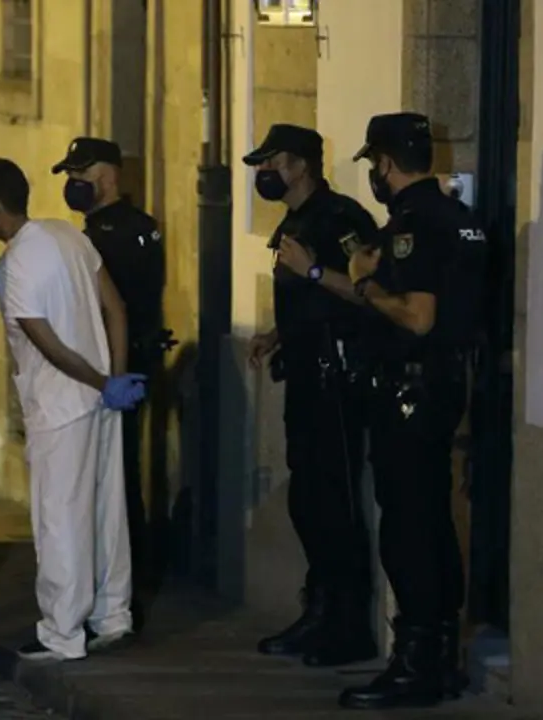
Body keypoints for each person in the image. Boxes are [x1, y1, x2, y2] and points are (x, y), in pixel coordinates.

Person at [0, 158, 145, 661]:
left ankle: (62, 634)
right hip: (101, 404)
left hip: (60, 405)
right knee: (107, 516)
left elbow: (42, 339)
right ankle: (113, 617)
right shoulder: (70, 236)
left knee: (60, 519)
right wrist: (115, 377)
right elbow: (117, 308)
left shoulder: (13, 265)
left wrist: (97, 379)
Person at [339, 112, 487, 710]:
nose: (375, 174)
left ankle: (416, 662)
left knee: (407, 528)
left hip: (410, 392)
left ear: (387, 163)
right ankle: (441, 654)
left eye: (375, 163)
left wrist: (366, 285)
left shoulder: (414, 224)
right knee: (434, 521)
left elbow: (419, 316)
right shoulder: (460, 219)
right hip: (447, 386)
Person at [241, 124, 380, 667]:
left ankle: (347, 624)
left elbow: (367, 292)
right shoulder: (295, 221)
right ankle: (319, 608)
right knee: (308, 501)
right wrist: (276, 334)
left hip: (336, 379)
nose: (263, 174)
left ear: (299, 165)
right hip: (304, 372)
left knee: (334, 502)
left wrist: (313, 269)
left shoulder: (340, 219)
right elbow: (310, 301)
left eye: (271, 163)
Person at [51, 137, 167, 613]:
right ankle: (119, 584)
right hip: (122, 366)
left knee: (108, 481)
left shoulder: (106, 234)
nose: (74, 184)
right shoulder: (136, 227)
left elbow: (109, 305)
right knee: (117, 477)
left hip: (110, 371)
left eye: (82, 173)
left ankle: (115, 589)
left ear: (109, 176)